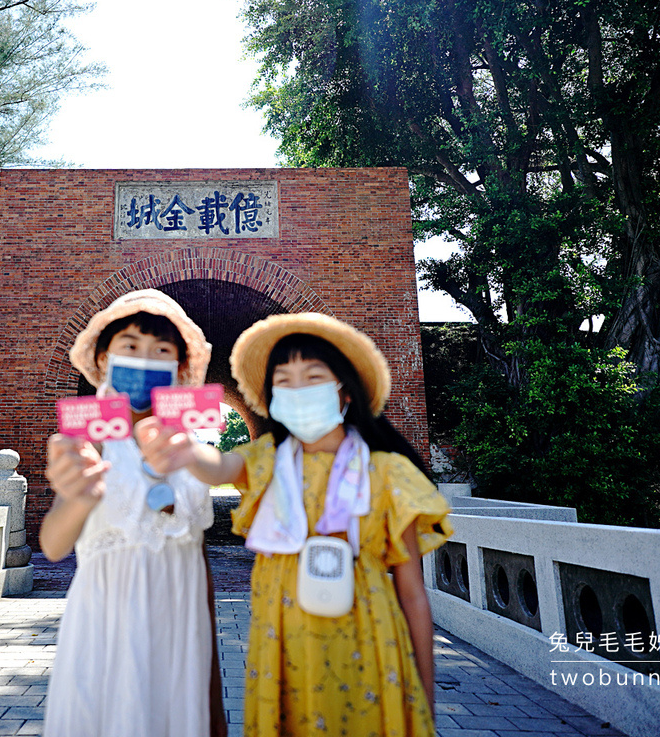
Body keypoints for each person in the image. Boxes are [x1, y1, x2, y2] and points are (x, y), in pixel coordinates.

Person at [136, 312, 454, 737]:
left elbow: (413, 595)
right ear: (271, 399)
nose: (297, 390)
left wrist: (424, 700)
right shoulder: (268, 460)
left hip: (370, 653)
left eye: (313, 377)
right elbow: (223, 465)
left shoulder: (389, 474)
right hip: (281, 651)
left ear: (344, 393)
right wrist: (187, 452)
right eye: (283, 381)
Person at [39, 288, 226, 737]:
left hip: (179, 630)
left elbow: (198, 556)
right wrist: (81, 494)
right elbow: (53, 544)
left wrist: (212, 673)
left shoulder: (192, 450)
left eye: (161, 350)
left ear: (178, 368)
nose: (145, 358)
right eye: (130, 345)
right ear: (103, 359)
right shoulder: (88, 441)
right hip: (104, 625)